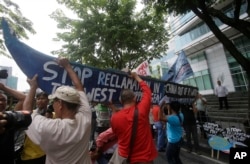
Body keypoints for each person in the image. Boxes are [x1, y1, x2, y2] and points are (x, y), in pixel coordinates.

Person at [22, 58, 92, 164]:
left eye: (53, 101)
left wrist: (33, 87)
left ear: (60, 104)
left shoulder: (48, 127)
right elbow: (79, 87)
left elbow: (26, 113)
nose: (52, 105)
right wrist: (67, 66)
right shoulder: (86, 118)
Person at [109, 72, 157, 164]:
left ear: (121, 101)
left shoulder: (115, 118)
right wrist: (136, 77)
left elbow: (116, 134)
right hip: (145, 158)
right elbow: (147, 91)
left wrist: (112, 108)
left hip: (126, 158)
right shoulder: (142, 109)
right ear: (134, 99)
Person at [0, 83, 30, 164]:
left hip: (10, 156)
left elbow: (24, 98)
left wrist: (3, 87)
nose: (1, 102)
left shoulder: (11, 116)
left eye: (3, 100)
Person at [21, 92, 50, 164]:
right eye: (38, 99)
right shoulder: (31, 113)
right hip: (28, 153)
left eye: (43, 98)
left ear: (48, 100)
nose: (40, 100)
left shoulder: (54, 115)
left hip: (45, 153)